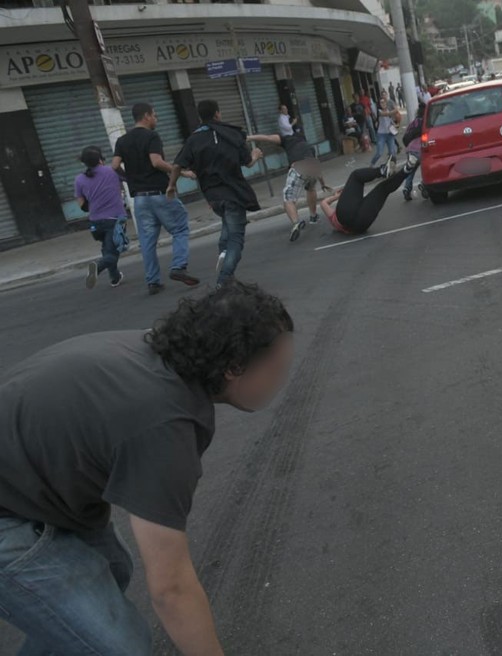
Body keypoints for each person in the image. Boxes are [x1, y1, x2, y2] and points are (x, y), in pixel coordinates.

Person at [0, 281, 293, 655]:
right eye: (277, 370)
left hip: (31, 484)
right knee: (122, 646)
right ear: (234, 367)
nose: (280, 382)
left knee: (112, 568)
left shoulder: (163, 351)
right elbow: (171, 588)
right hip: (11, 514)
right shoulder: (164, 425)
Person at [169, 100, 264, 287]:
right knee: (236, 239)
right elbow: (248, 163)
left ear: (200, 117)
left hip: (213, 197)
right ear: (217, 114)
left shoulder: (193, 139)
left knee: (227, 225)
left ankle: (222, 254)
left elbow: (177, 165)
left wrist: (171, 185)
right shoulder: (232, 134)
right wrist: (256, 155)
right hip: (233, 194)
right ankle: (223, 280)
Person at [113, 102, 201, 295]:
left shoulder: (122, 140)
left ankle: (153, 281)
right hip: (159, 194)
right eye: (154, 115)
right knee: (180, 229)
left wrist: (130, 178)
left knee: (147, 241)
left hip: (140, 199)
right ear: (146, 116)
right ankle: (178, 266)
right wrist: (183, 173)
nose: (156, 119)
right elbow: (156, 162)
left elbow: (114, 166)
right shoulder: (151, 136)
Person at [247, 133, 330, 241]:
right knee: (311, 189)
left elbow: (267, 138)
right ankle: (313, 216)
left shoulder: (286, 139)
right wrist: (323, 184)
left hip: (298, 167)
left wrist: (249, 137)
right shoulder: (308, 146)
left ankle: (296, 223)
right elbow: (316, 164)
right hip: (312, 166)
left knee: (288, 198)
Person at [320, 152, 419, 235]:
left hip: (361, 225)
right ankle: (382, 171)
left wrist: (336, 197)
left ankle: (407, 168)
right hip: (346, 215)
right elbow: (323, 204)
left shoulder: (336, 223)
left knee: (383, 189)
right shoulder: (334, 219)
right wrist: (335, 197)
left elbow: (323, 204)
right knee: (356, 176)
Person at [75, 146, 126, 290]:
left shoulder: (79, 179)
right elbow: (129, 178)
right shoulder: (112, 171)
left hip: (95, 223)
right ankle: (96, 268)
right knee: (113, 253)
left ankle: (115, 277)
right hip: (115, 219)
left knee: (107, 249)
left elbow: (82, 205)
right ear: (100, 160)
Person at [401, 103, 425, 201]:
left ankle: (407, 188)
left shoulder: (413, 122)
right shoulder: (425, 121)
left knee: (411, 170)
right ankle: (424, 184)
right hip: (421, 148)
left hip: (410, 149)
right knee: (425, 167)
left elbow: (406, 136)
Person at [370, 90, 400, 170]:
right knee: (379, 153)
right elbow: (387, 114)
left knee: (392, 152)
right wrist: (394, 110)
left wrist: (395, 125)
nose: (383, 104)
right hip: (381, 134)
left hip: (389, 134)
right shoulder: (379, 112)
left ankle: (392, 166)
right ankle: (372, 164)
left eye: (384, 102)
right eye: (381, 103)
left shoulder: (388, 110)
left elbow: (391, 120)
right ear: (379, 105)